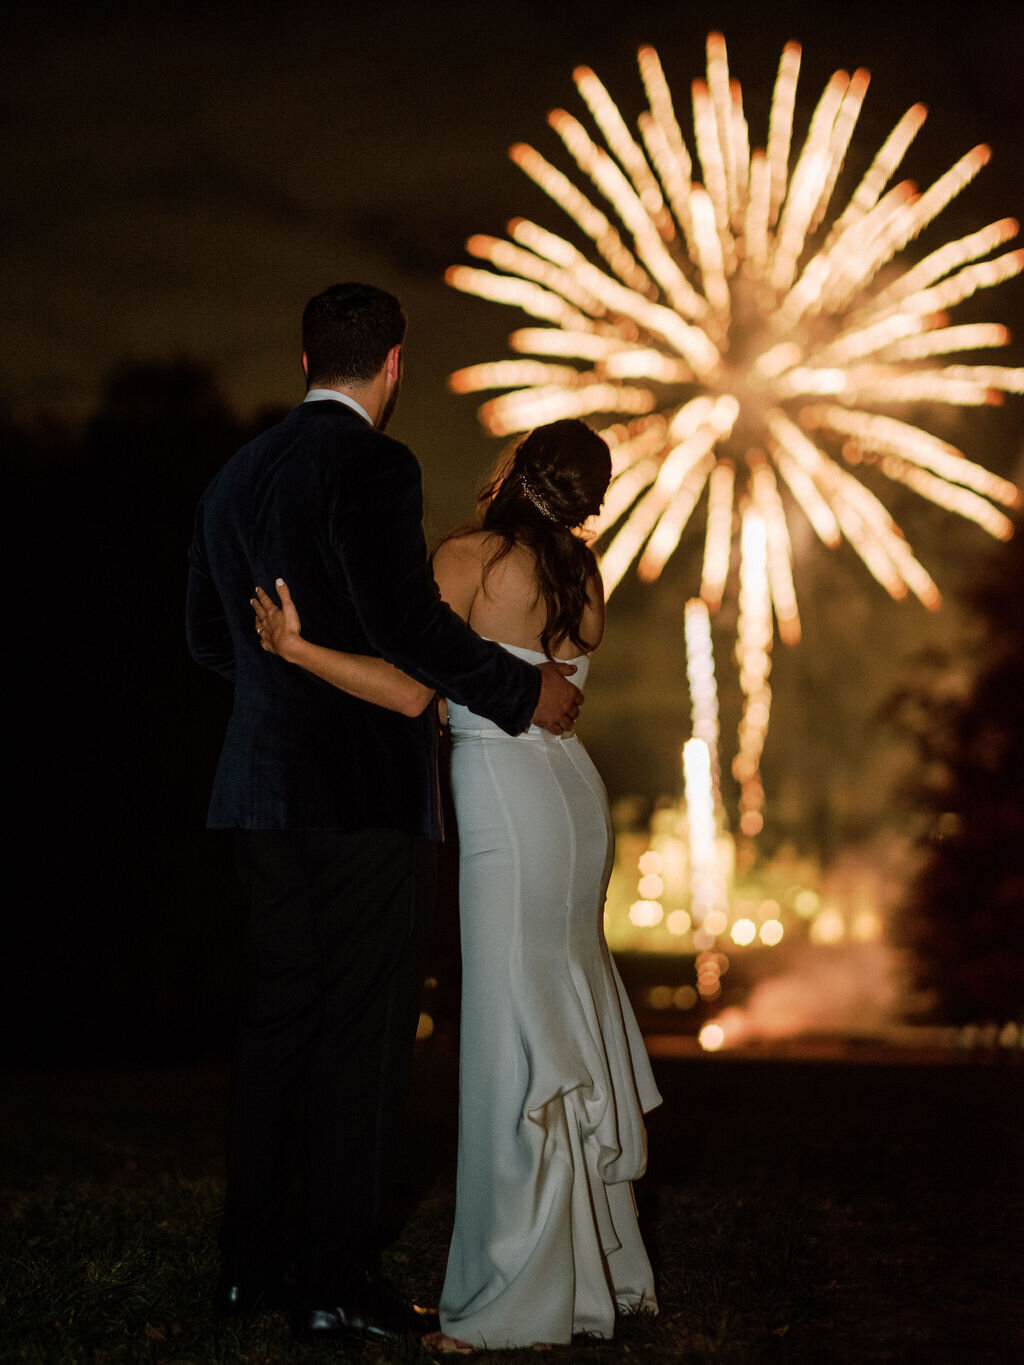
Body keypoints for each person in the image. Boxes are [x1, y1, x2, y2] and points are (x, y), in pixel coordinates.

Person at [185, 283, 585, 1347]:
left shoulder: (234, 474)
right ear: (394, 363)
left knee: (275, 1026)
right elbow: (410, 625)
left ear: (302, 357)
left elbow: (209, 642)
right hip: (363, 793)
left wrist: (287, 676)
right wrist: (518, 690)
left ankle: (246, 1267)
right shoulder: (374, 465)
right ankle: (331, 1277)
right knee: (362, 1038)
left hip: (261, 792)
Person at [251, 418, 662, 1351]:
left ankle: (506, 1298)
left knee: (510, 1033)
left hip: (507, 801)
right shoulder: (581, 576)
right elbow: (540, 673)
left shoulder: (470, 559)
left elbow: (410, 689)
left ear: (516, 469)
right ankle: (600, 1262)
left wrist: (298, 649)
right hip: (574, 798)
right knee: (564, 1004)